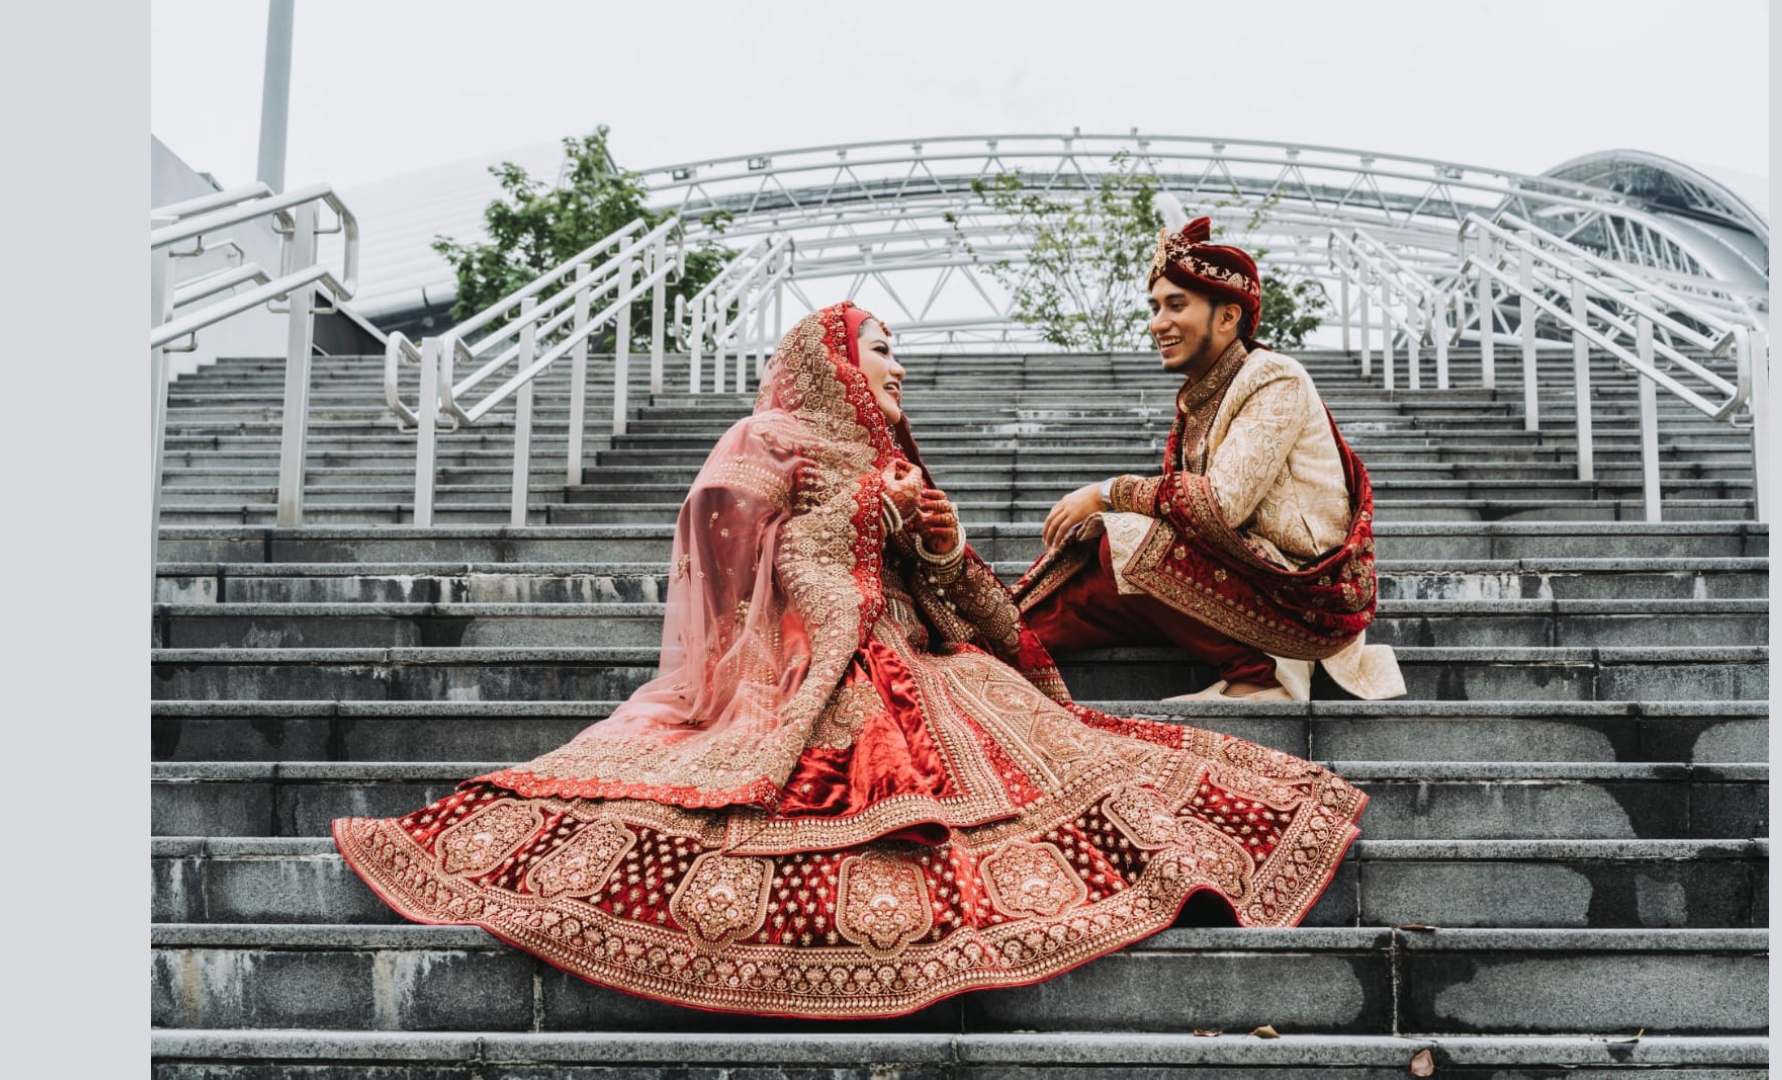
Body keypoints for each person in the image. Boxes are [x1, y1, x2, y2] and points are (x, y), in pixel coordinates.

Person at [334, 301, 1367, 1018]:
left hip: (924, 663)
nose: (898, 366)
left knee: (1079, 766)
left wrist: (939, 544)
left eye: (893, 348)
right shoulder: (770, 435)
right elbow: (718, 542)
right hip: (811, 668)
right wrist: (868, 516)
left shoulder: (891, 460)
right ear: (830, 360)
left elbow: (967, 605)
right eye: (879, 348)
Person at [1013, 218, 1405, 702]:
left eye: (1177, 305)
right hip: (1241, 578)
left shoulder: (1274, 377)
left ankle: (1262, 676)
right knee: (1089, 565)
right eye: (1155, 307)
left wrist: (1106, 493)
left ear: (1227, 317)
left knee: (1130, 539)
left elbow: (1221, 506)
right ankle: (991, 647)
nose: (1158, 322)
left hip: (1301, 597)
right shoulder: (1201, 397)